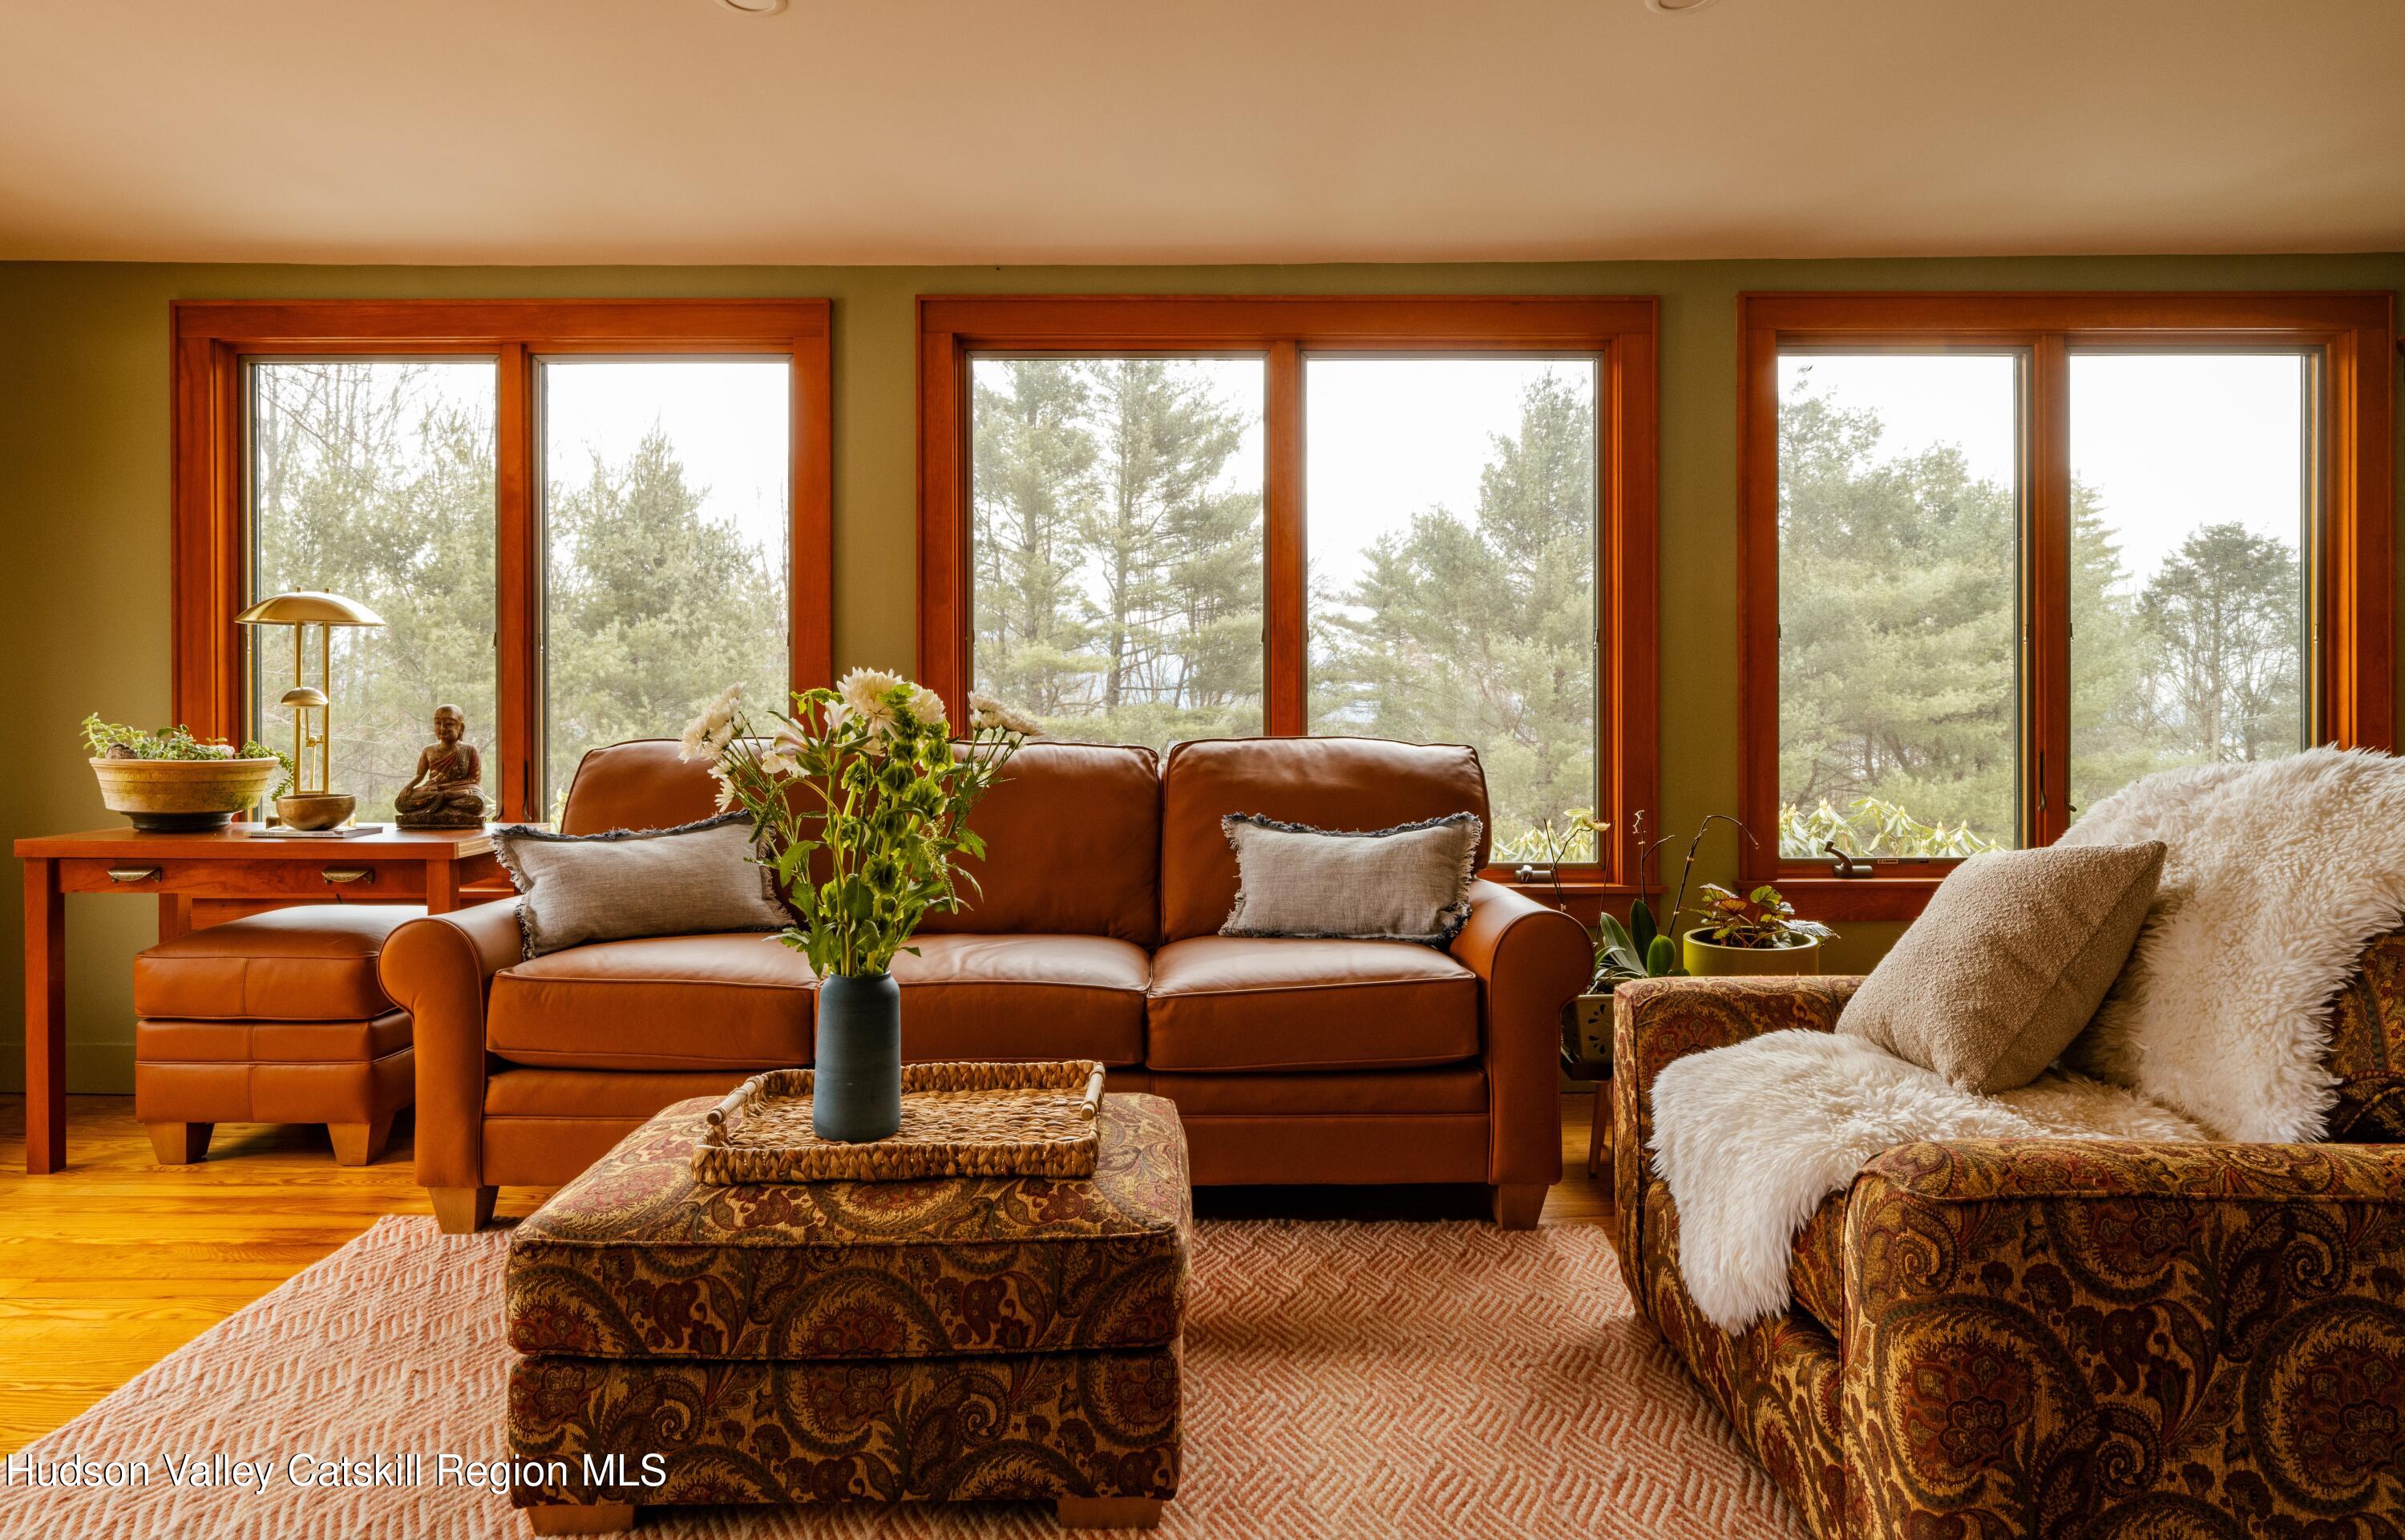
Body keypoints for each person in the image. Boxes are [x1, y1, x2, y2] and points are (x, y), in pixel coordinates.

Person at [394, 704, 488, 827]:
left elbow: (474, 780)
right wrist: (409, 786)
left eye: (449, 724)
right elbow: (419, 774)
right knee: (401, 802)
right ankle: (443, 799)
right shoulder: (429, 750)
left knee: (478, 802)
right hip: (434, 790)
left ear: (461, 728)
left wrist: (447, 787)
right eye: (438, 723)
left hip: (458, 790)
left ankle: (442, 800)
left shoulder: (470, 750)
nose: (443, 728)